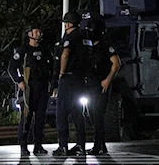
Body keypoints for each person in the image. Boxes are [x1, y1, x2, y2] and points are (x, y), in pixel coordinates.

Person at [8, 22, 53, 156]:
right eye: (35, 31)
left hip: (43, 87)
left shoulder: (45, 50)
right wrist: (19, 81)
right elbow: (12, 68)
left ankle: (38, 145)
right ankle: (23, 146)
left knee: (40, 117)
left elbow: (52, 67)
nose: (38, 34)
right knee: (26, 117)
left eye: (39, 31)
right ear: (29, 34)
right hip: (28, 87)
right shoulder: (23, 51)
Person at [52, 11, 91, 156]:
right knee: (77, 113)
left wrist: (61, 73)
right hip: (80, 80)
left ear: (68, 23)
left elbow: (65, 54)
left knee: (62, 113)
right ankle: (81, 145)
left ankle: (63, 145)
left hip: (68, 79)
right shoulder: (84, 37)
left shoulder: (71, 37)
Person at [84, 16, 121, 155]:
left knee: (98, 115)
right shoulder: (87, 46)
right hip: (89, 84)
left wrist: (108, 80)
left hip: (101, 84)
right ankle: (100, 144)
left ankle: (98, 145)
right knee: (91, 115)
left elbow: (116, 64)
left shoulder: (106, 45)